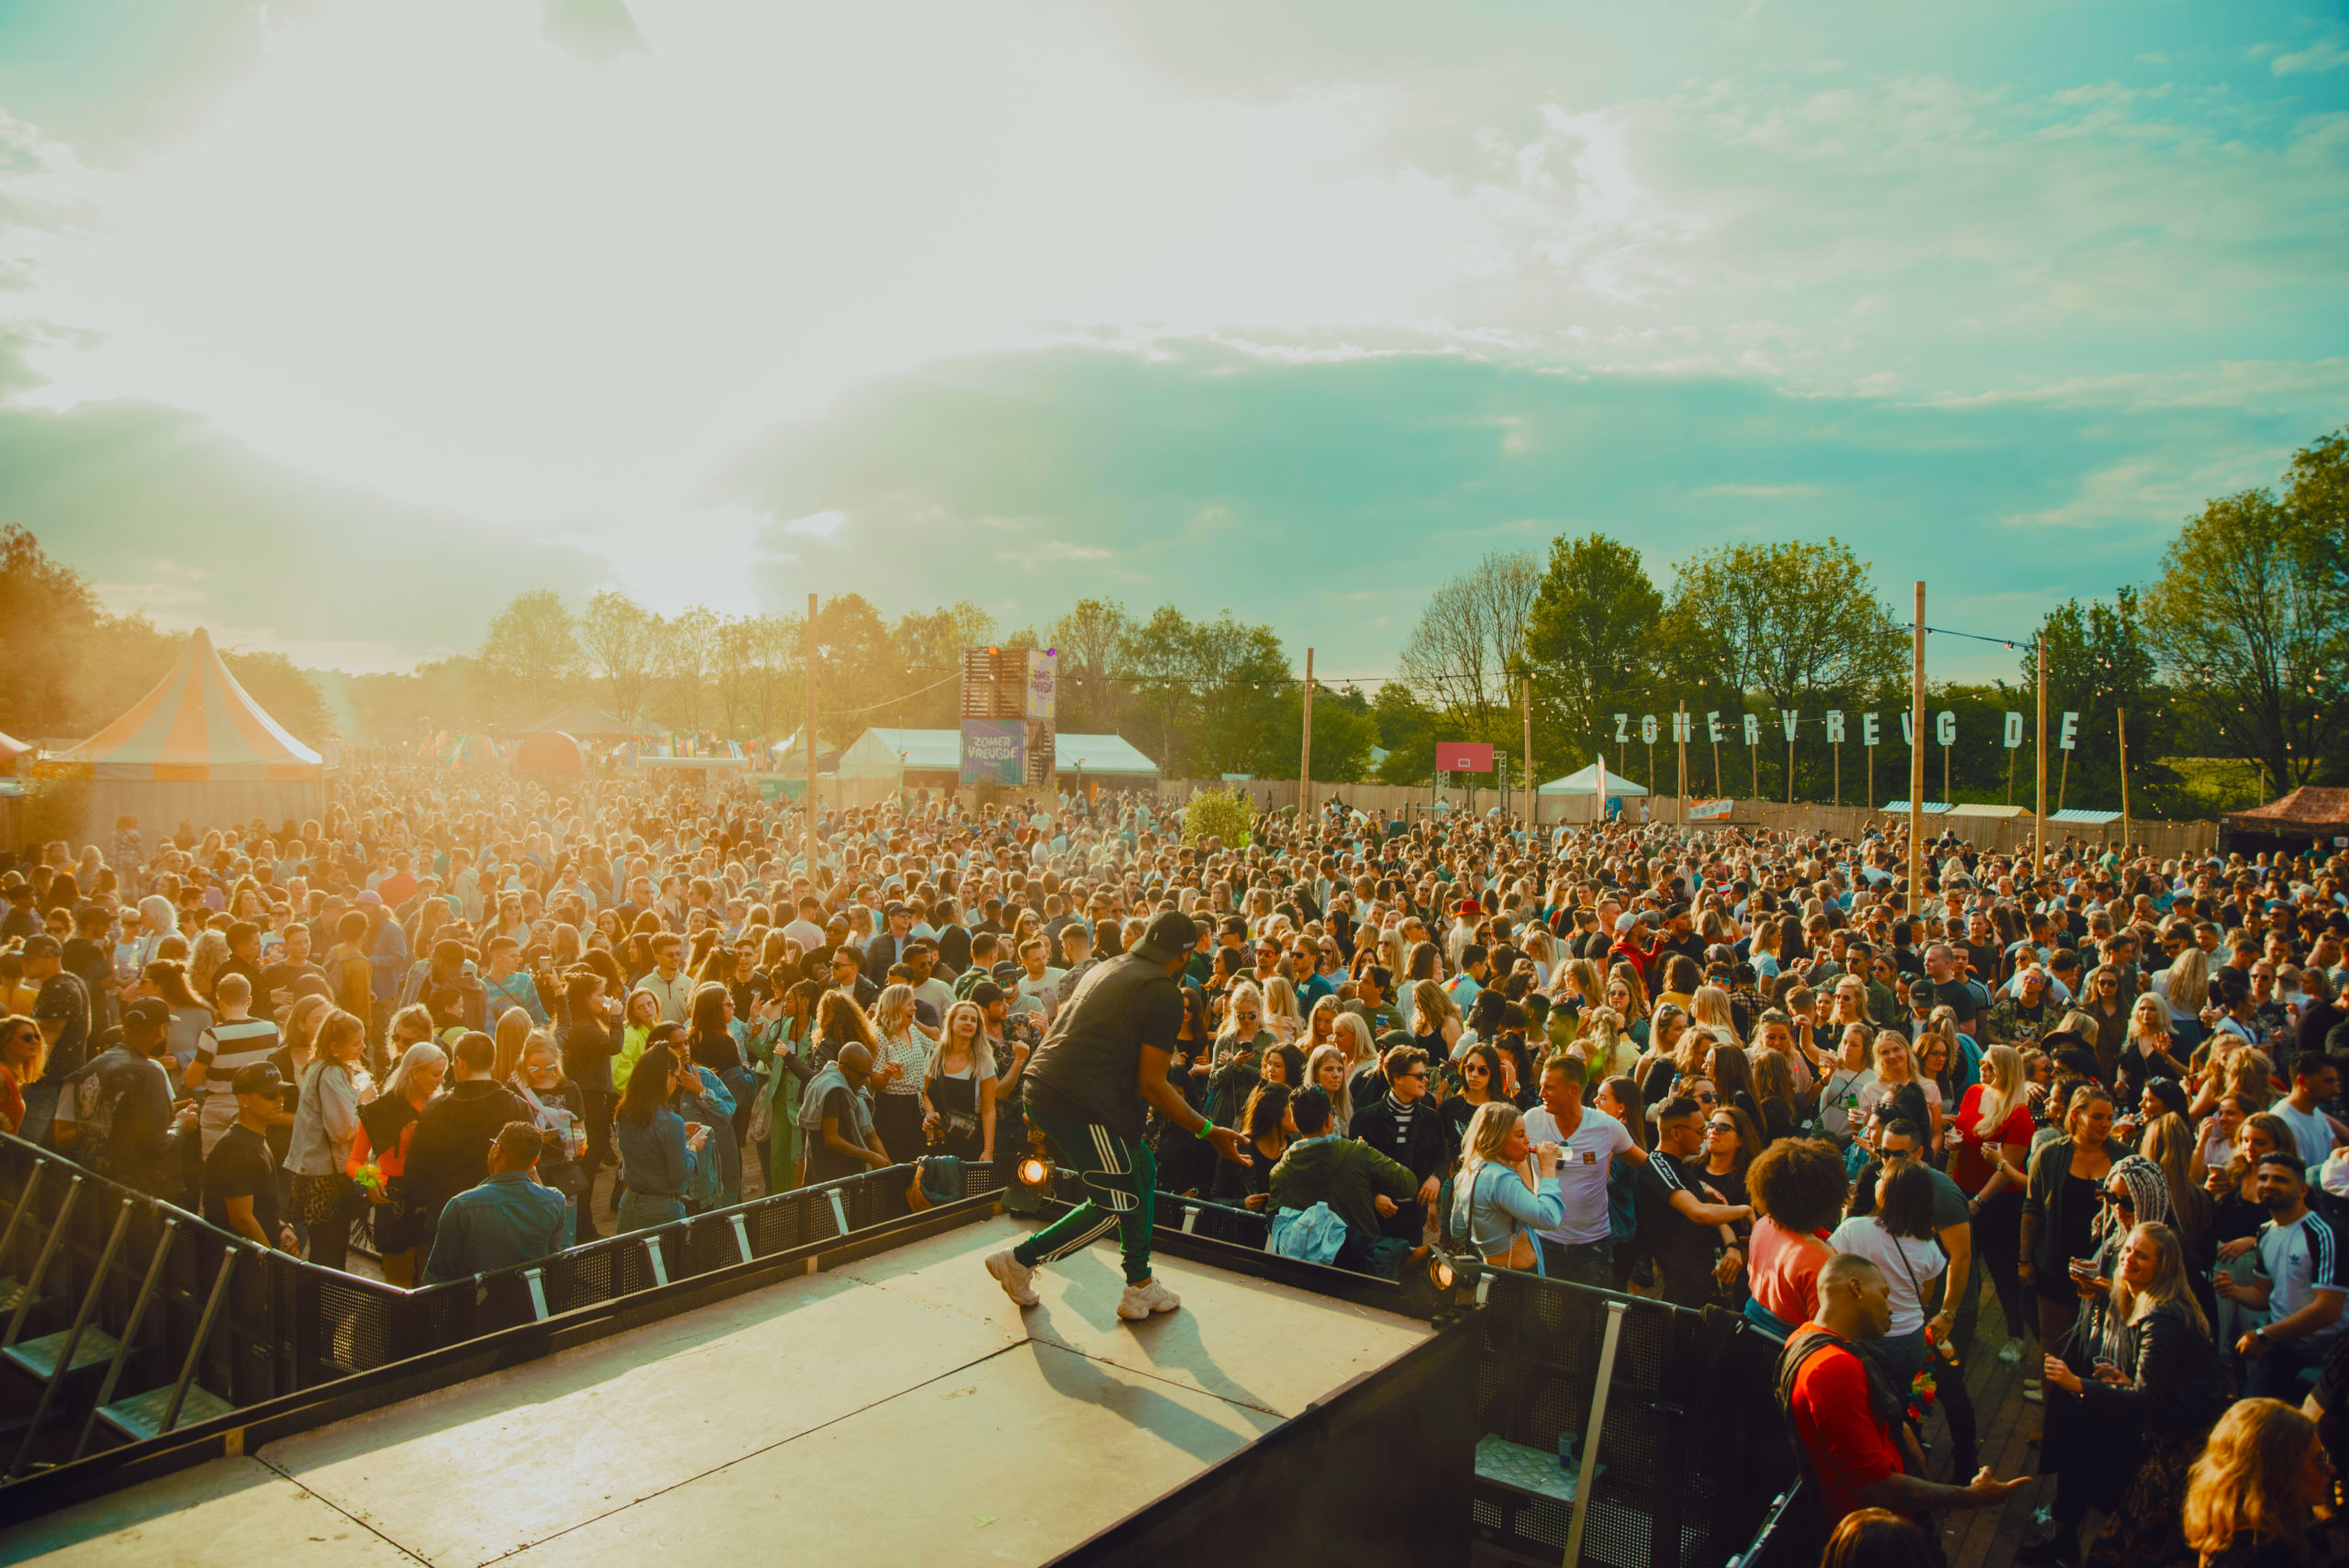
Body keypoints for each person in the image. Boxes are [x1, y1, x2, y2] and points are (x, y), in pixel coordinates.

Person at [985, 911, 1249, 1323]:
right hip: (1077, 1101)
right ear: (1183, 958)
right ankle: (1019, 1259)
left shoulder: (1115, 965)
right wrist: (1209, 1130)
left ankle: (1139, 1286)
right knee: (1113, 1202)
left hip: (1057, 1088)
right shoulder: (1162, 991)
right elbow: (1154, 1085)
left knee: (1140, 1167)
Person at [1776, 1252, 2023, 1540]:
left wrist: (1903, 1431)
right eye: (1884, 1294)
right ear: (1855, 1288)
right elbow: (1876, 1487)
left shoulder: (1803, 1337)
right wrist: (1971, 1496)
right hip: (1874, 1537)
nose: (1890, 1309)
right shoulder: (1832, 1368)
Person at [2026, 1220, 2227, 1568]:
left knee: (2141, 1537)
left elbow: (2147, 1398)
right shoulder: (2157, 1302)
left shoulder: (2161, 1317)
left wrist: (2078, 1385)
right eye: (2129, 1249)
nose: (2129, 1258)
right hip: (2179, 1427)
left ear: (2162, 1266)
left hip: (2182, 1441)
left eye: (2142, 1255)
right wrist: (2123, 1380)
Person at [2218, 1153, 2347, 1400]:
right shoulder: (2265, 1233)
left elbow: (2327, 1310)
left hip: (2326, 1351)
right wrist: (2233, 1290)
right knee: (2254, 1415)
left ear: (2302, 1190)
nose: (2268, 1184)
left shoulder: (2324, 1234)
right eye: (2263, 1178)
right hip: (2282, 1344)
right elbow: (2264, 1294)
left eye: (2280, 1180)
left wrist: (2264, 1334)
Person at [1264, 1085, 1418, 1276]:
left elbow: (1274, 1221)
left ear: (1294, 1122)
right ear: (1329, 1120)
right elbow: (1408, 1184)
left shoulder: (1280, 1173)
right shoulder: (1358, 1153)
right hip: (1361, 1266)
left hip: (1309, 1272)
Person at [404, 1030, 531, 1252]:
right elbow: (529, 1164)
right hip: (502, 1214)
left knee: (446, 1283)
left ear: (460, 1063)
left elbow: (415, 1169)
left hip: (447, 1213)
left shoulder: (435, 1109)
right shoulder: (517, 1107)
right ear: (492, 1062)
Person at [1520, 1051, 1638, 1286]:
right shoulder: (1531, 1120)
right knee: (1543, 1315)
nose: (1541, 1094)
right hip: (1544, 1240)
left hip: (1592, 1247)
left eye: (1549, 1087)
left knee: (1588, 1317)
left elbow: (1645, 1165)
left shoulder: (1606, 1127)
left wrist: (1695, 1186)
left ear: (1573, 1090)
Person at [53, 995, 187, 1199]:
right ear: (160, 1029)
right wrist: (181, 1124)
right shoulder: (149, 1072)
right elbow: (158, 1143)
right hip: (133, 1190)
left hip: (91, 1184)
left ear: (124, 1028)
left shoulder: (92, 1066)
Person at [2180, 1398, 2336, 1568]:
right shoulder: (2262, 1558)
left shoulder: (2237, 1541)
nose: (2332, 1469)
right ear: (2281, 1473)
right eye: (2320, 1460)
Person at [1634, 1095, 1753, 1308]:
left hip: (1706, 1285)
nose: (1706, 1136)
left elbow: (1714, 1212)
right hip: (1683, 1291)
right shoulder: (1659, 1167)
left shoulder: (1683, 1169)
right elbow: (1701, 1213)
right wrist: (1744, 1210)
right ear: (1677, 1133)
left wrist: (1732, 1246)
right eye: (1701, 1131)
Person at [423, 1121, 569, 1283]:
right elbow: (551, 1255)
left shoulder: (461, 1206)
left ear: (497, 1151)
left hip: (476, 1302)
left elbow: (436, 1276)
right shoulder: (555, 1200)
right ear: (534, 1162)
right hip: (532, 1300)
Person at [285, 1006, 372, 1272]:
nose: (363, 1047)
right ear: (335, 1045)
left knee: (327, 1248)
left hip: (320, 1171)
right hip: (328, 1177)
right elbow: (343, 1130)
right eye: (356, 1043)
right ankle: (323, 1305)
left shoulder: (322, 1067)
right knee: (329, 1252)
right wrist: (366, 1106)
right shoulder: (331, 1074)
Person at [1451, 1099, 1565, 1271]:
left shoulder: (1467, 1173)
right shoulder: (1501, 1179)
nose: (1528, 1141)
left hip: (1490, 1270)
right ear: (1497, 1139)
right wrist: (1548, 1170)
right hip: (1521, 1278)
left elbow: (1458, 1230)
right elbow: (1548, 1217)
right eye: (1520, 1135)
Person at [613, 1040, 710, 1231]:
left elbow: (645, 1141)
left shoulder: (624, 1112)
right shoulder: (670, 1122)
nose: (678, 1082)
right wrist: (693, 1147)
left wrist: (679, 1134)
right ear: (666, 1076)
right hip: (662, 1210)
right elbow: (679, 1178)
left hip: (629, 1203)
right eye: (677, 1076)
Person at [203, 1062, 298, 1252]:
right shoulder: (236, 1147)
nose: (280, 1099)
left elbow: (260, 1206)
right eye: (270, 1094)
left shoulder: (254, 1137)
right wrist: (272, 1258)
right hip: (236, 1264)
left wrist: (282, 1227)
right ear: (243, 1099)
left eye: (282, 1093)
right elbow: (241, 1219)